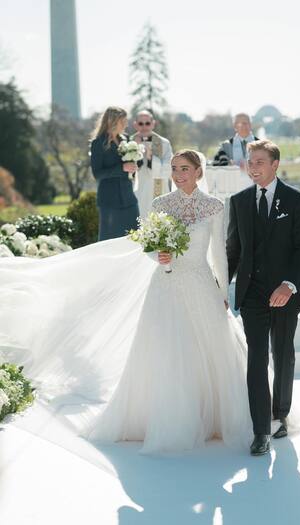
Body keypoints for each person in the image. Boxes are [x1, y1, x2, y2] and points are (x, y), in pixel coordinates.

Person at [0, 150, 252, 454]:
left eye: (185, 168)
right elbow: (149, 247)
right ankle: (168, 419)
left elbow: (219, 256)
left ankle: (210, 417)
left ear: (198, 171)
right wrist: (161, 257)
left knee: (209, 351)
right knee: (167, 351)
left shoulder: (213, 206)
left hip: (201, 284)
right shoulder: (161, 204)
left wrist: (223, 293)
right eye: (174, 168)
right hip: (166, 285)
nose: (178, 174)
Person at [227, 140, 300, 456]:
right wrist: (223, 286)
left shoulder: (297, 201)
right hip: (252, 292)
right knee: (256, 358)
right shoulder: (238, 201)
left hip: (286, 292)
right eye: (251, 162)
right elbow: (234, 249)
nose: (253, 167)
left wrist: (289, 284)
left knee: (283, 352)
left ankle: (281, 414)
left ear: (275, 164)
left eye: (260, 162)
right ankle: (260, 430)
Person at [90, 106, 139, 241]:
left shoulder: (126, 139)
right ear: (113, 122)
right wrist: (122, 168)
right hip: (109, 200)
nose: (126, 124)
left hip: (129, 198)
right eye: (123, 121)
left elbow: (130, 164)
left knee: (134, 238)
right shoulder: (98, 143)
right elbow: (97, 174)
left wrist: (135, 165)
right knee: (109, 240)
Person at [131, 110, 173, 218]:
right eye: (141, 123)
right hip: (136, 190)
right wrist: (136, 152)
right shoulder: (129, 143)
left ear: (153, 124)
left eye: (147, 123)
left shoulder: (163, 143)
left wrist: (151, 159)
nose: (144, 126)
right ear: (135, 124)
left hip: (158, 190)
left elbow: (168, 170)